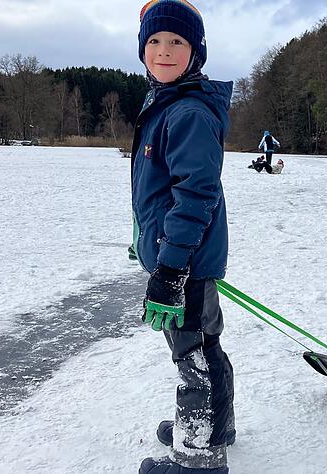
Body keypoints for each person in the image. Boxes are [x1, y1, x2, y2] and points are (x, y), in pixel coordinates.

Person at [131, 1, 235, 472]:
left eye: (177, 41)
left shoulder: (187, 111)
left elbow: (195, 195)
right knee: (203, 343)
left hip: (185, 260)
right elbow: (159, 192)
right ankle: (216, 428)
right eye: (154, 41)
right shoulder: (166, 105)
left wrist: (171, 267)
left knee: (192, 352)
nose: (164, 51)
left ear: (196, 52)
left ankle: (199, 459)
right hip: (180, 253)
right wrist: (145, 239)